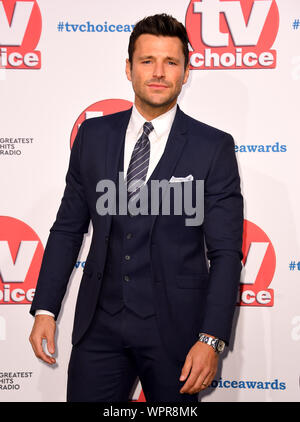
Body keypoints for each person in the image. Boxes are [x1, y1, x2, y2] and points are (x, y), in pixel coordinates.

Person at [29, 13, 244, 402]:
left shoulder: (213, 147)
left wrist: (211, 339)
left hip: (178, 333)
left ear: (186, 71)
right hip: (99, 329)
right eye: (147, 61)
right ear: (128, 69)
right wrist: (45, 308)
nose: (159, 72)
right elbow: (67, 229)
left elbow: (226, 253)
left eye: (171, 62)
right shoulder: (92, 136)